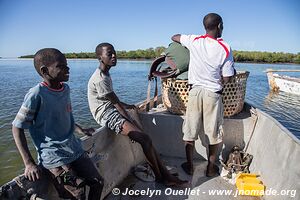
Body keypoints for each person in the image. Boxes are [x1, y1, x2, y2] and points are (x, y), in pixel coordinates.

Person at [88, 42, 187, 187]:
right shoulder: (100, 78)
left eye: (114, 52)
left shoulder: (105, 73)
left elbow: (112, 99)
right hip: (105, 114)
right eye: (109, 54)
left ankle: (164, 174)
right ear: (100, 57)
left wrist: (127, 106)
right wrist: (131, 122)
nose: (114, 56)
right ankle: (163, 177)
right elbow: (115, 104)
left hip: (110, 109)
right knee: (145, 139)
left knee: (147, 140)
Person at [12, 48, 103, 200]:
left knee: (98, 182)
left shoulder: (65, 89)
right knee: (77, 194)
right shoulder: (36, 94)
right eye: (61, 66)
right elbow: (17, 127)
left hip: (74, 149)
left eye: (67, 65)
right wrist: (29, 163)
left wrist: (80, 129)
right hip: (54, 158)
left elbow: (66, 115)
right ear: (45, 70)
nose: (68, 69)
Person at [171, 13, 235, 177]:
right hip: (212, 94)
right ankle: (211, 168)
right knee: (213, 133)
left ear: (205, 26)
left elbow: (175, 36)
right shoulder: (225, 47)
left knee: (190, 130)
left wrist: (185, 44)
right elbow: (227, 77)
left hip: (194, 92)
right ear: (219, 26)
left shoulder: (194, 40)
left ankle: (190, 166)